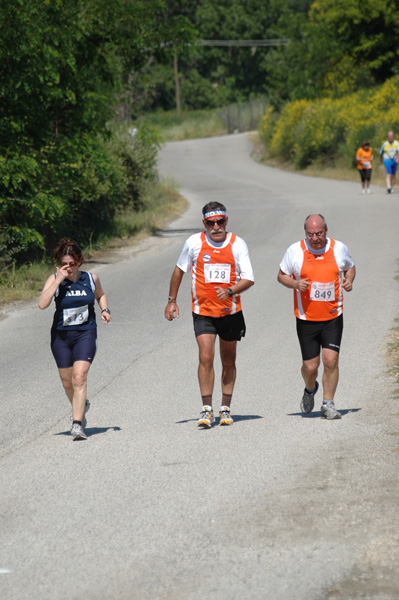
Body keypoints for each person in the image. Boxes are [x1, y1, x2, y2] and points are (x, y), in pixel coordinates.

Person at [164, 202, 254, 428]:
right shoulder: (194, 242)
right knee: (205, 356)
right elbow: (179, 269)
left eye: (220, 222)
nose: (216, 227)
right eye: (211, 223)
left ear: (226, 221)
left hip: (230, 312)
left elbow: (249, 278)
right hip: (203, 311)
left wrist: (231, 290)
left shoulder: (237, 244)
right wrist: (172, 301)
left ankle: (225, 408)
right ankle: (206, 409)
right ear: (204, 223)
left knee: (228, 359)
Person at [277, 215, 356, 420]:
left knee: (330, 360)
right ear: (305, 233)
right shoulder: (295, 250)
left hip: (332, 316)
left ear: (326, 230)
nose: (314, 238)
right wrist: (295, 284)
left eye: (318, 233)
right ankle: (310, 389)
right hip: (306, 318)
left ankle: (327, 404)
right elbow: (281, 275)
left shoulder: (339, 248)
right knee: (310, 367)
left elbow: (350, 267)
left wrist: (348, 280)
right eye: (310, 234)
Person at [38, 238, 111, 440]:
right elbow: (42, 304)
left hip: (85, 334)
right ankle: (82, 404)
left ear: (79, 262)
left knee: (79, 377)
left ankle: (77, 423)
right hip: (61, 337)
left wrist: (104, 309)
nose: (68, 268)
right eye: (64, 264)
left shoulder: (90, 278)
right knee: (67, 383)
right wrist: (58, 281)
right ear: (59, 263)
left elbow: (101, 294)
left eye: (72, 263)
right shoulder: (54, 279)